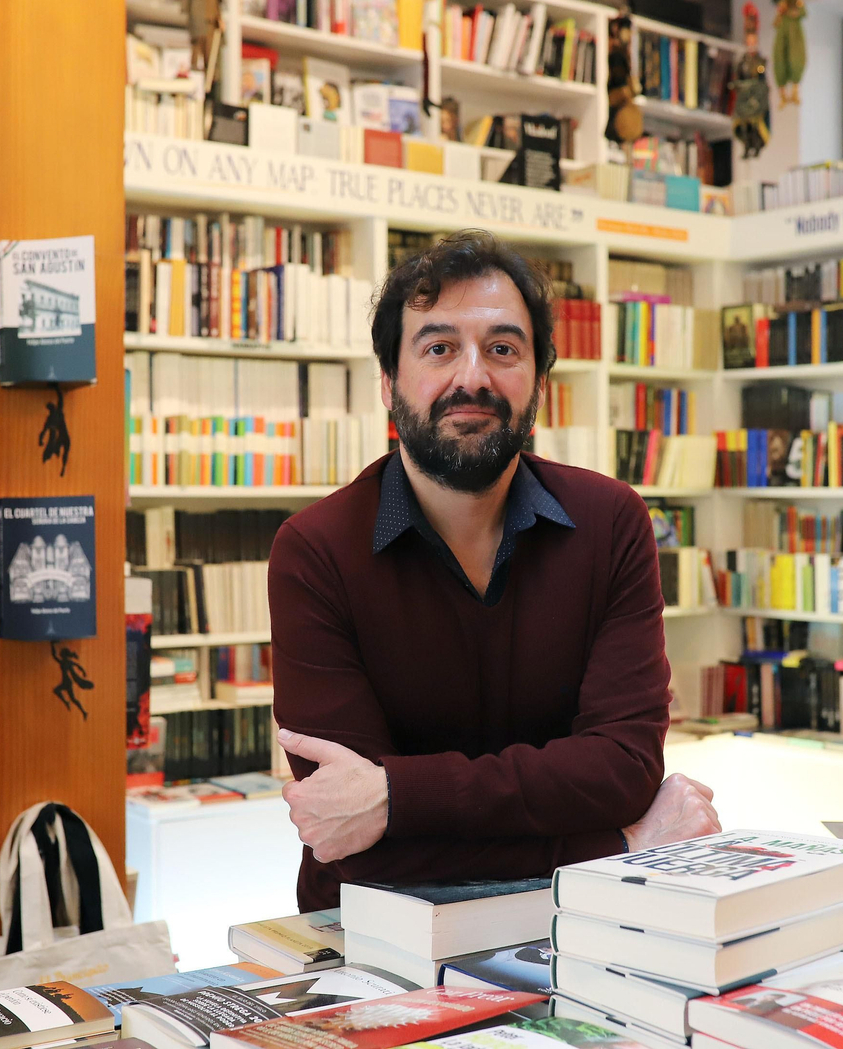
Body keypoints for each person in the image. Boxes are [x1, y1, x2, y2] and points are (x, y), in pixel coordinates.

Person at [268, 229, 721, 911]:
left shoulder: (612, 523)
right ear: (389, 381)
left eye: (502, 349)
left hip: (582, 930)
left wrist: (396, 797)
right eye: (439, 347)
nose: (472, 377)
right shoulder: (314, 550)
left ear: (540, 383)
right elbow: (352, 837)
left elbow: (623, 770)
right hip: (374, 942)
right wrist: (620, 846)